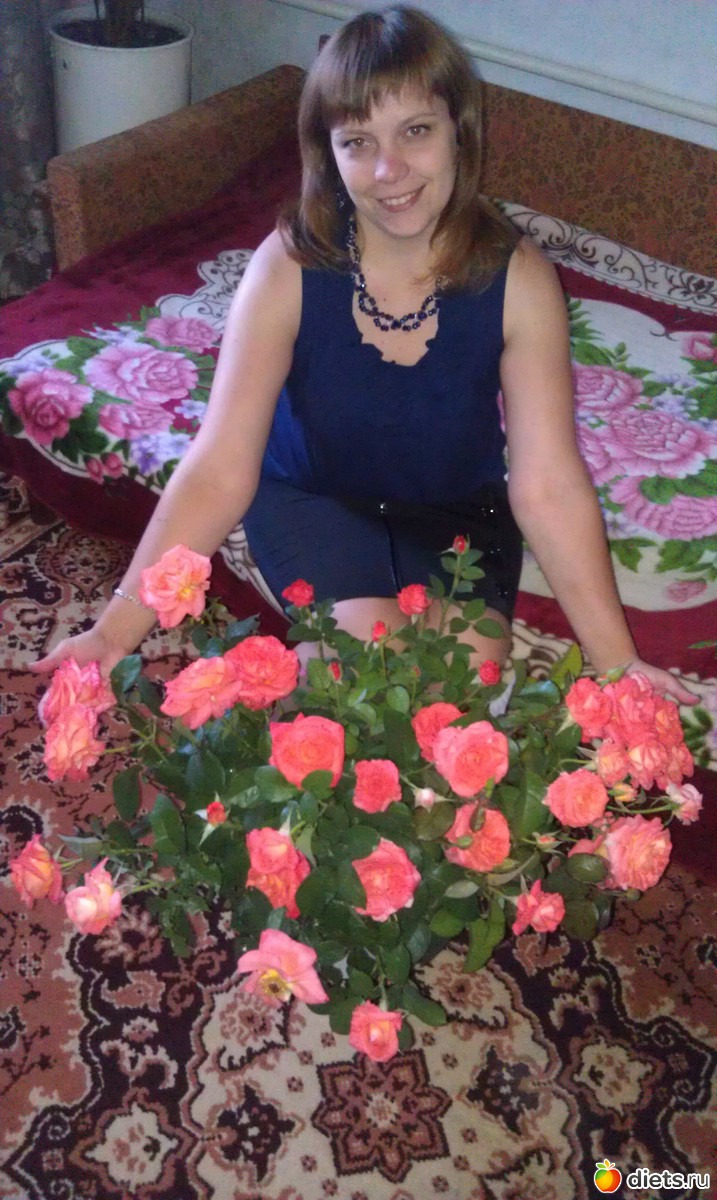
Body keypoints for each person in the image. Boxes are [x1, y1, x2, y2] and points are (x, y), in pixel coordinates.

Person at [32, 5, 695, 705]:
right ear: (328, 153)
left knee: (460, 690)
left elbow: (546, 483)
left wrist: (617, 663)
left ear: (460, 130)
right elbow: (220, 464)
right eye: (357, 141)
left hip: (454, 509)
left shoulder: (520, 279)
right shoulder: (286, 268)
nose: (388, 169)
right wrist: (114, 634)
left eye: (416, 131)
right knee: (361, 674)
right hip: (314, 496)